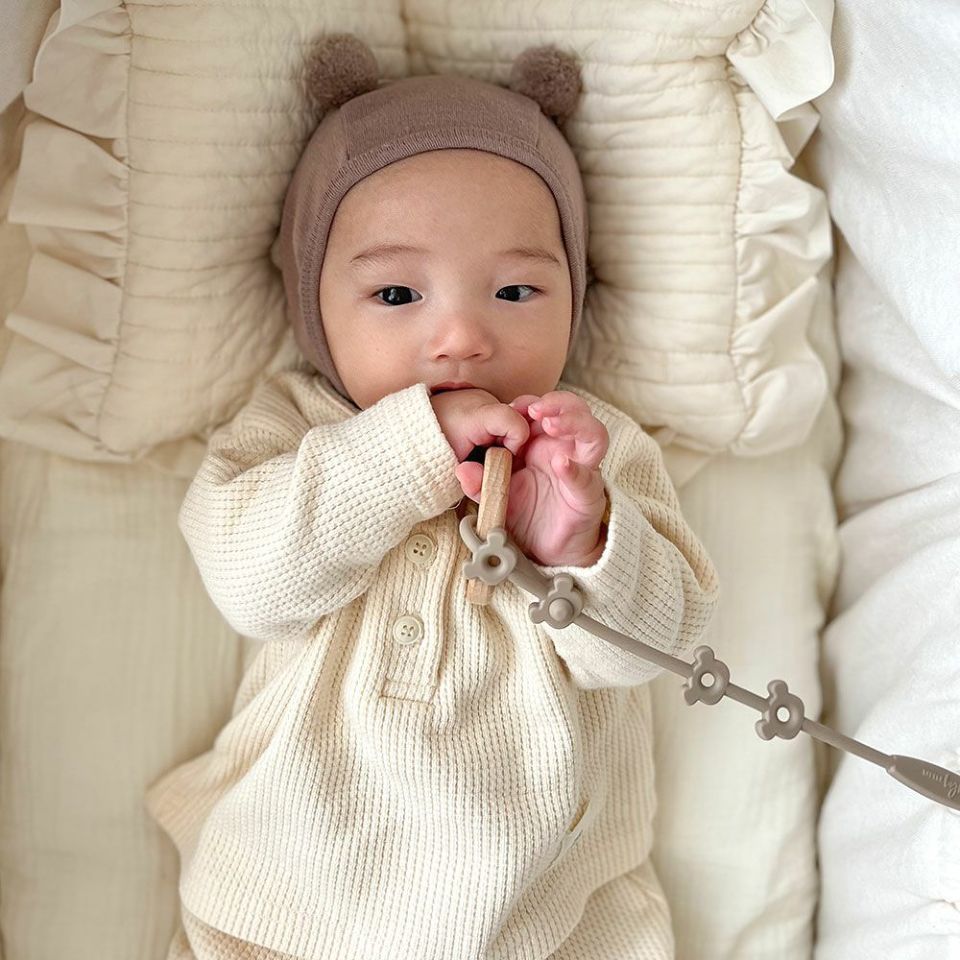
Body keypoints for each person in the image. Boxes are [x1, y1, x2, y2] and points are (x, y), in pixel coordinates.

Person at [145, 35, 720, 960]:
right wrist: (410, 446)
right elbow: (249, 583)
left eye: (516, 289)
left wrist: (582, 542)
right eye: (397, 293)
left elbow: (658, 647)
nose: (461, 336)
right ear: (314, 304)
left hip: (547, 912)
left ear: (574, 294)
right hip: (287, 894)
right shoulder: (292, 429)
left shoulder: (593, 451)